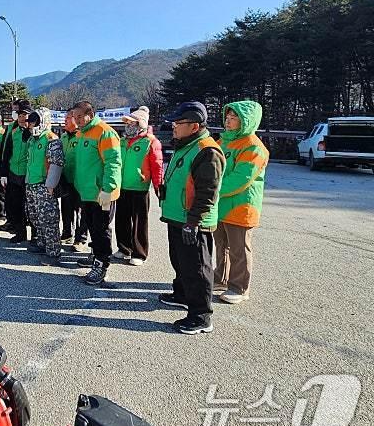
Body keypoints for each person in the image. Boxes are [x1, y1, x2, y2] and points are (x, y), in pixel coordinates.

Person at [158, 101, 225, 335]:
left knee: (197, 268)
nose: (173, 126)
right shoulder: (185, 145)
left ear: (194, 126)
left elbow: (208, 193)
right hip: (177, 216)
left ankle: (200, 315)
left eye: (179, 123)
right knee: (180, 261)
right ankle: (182, 294)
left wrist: (193, 222)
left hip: (192, 221)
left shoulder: (207, 151)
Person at [214, 100, 269, 304]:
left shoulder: (254, 147)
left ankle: (239, 287)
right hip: (220, 205)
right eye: (227, 117)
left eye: (234, 117)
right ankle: (220, 278)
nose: (228, 121)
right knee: (221, 245)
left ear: (246, 120)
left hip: (241, 206)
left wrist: (212, 189)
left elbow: (241, 179)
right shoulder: (223, 142)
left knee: (239, 248)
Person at [72, 100, 122, 285]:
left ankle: (102, 265)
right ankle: (95, 257)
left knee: (101, 231)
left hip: (101, 193)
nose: (77, 120)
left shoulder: (105, 132)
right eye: (74, 117)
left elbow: (113, 162)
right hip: (87, 192)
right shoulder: (81, 134)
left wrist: (108, 188)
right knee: (92, 227)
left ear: (90, 115)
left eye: (80, 116)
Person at [115, 106, 163, 266]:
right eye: (127, 123)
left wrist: (158, 187)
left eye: (132, 123)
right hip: (122, 187)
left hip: (139, 188)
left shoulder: (150, 142)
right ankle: (124, 248)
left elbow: (157, 166)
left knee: (139, 222)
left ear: (140, 124)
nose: (128, 126)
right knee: (121, 219)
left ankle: (139, 253)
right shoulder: (122, 141)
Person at [24, 108, 65, 264]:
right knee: (35, 217)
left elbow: (57, 163)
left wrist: (51, 185)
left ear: (43, 122)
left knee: (49, 218)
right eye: (30, 122)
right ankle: (42, 243)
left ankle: (53, 252)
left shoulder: (51, 139)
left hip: (44, 185)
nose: (30, 125)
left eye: (33, 122)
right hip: (32, 184)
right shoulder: (32, 140)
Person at [0, 99, 33, 243]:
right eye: (20, 116)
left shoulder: (35, 134)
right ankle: (20, 233)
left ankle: (36, 236)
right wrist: (3, 173)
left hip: (29, 175)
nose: (22, 119)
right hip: (13, 174)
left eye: (25, 116)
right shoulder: (13, 131)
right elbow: (5, 152)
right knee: (15, 205)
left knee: (31, 208)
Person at [60, 108, 86, 247]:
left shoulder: (82, 136)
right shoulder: (63, 137)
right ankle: (66, 233)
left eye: (68, 118)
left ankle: (80, 238)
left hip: (80, 181)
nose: (65, 120)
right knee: (66, 208)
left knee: (80, 211)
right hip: (65, 179)